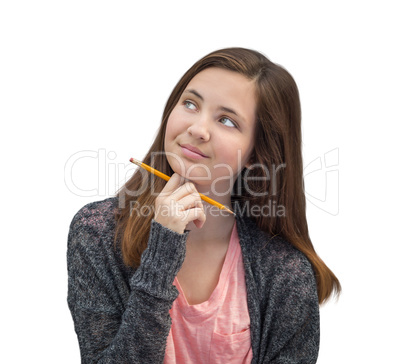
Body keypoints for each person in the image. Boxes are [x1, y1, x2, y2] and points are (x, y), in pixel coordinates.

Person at [67, 47, 341, 363]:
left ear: (256, 153)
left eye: (227, 120)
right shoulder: (97, 232)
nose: (197, 129)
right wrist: (162, 253)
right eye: (190, 104)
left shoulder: (286, 272)